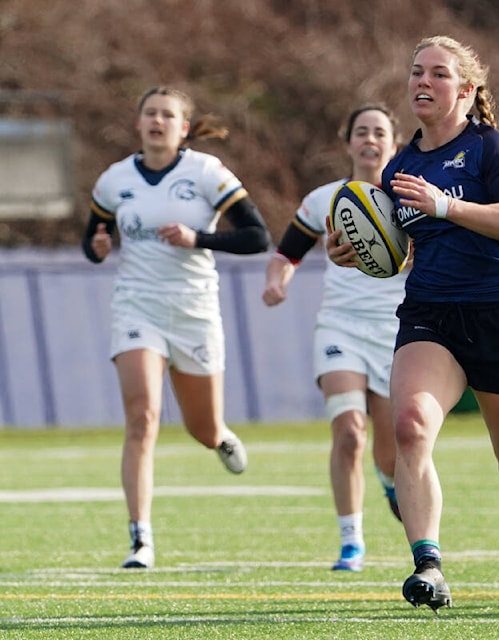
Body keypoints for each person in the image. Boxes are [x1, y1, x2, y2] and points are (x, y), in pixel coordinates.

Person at [328, 35, 499, 611]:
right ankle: (428, 565)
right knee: (408, 427)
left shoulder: (491, 149)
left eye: (437, 74)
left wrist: (447, 205)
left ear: (467, 89)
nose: (422, 82)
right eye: (415, 72)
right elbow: (403, 247)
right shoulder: (402, 163)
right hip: (429, 313)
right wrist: (360, 250)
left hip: (498, 315)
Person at [82, 87, 270, 569]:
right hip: (136, 307)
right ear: (139, 122)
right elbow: (93, 236)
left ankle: (220, 437)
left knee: (202, 428)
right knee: (143, 416)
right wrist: (97, 248)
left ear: (183, 127)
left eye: (168, 115)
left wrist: (198, 238)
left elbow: (256, 237)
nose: (157, 121)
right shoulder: (115, 179)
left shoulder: (206, 172)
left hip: (193, 310)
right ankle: (140, 538)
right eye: (150, 113)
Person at [262, 105, 407, 572]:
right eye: (361, 131)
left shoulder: (409, 196)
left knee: (390, 450)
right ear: (347, 142)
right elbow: (287, 252)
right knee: (348, 433)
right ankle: (351, 543)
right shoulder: (325, 199)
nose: (370, 139)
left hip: (394, 330)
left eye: (379, 131)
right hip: (340, 326)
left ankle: (389, 482)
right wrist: (277, 280)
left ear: (394, 142)